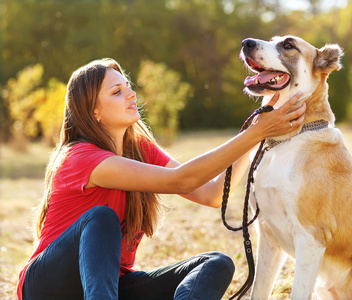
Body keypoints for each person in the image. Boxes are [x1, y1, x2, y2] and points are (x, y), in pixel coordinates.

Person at [17, 58, 306, 300]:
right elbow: (181, 180)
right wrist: (253, 134)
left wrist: (257, 133)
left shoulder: (139, 149)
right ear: (93, 111)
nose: (131, 95)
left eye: (128, 87)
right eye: (117, 92)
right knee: (101, 218)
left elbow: (211, 194)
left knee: (215, 264)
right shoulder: (79, 158)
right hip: (46, 287)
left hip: (112, 287)